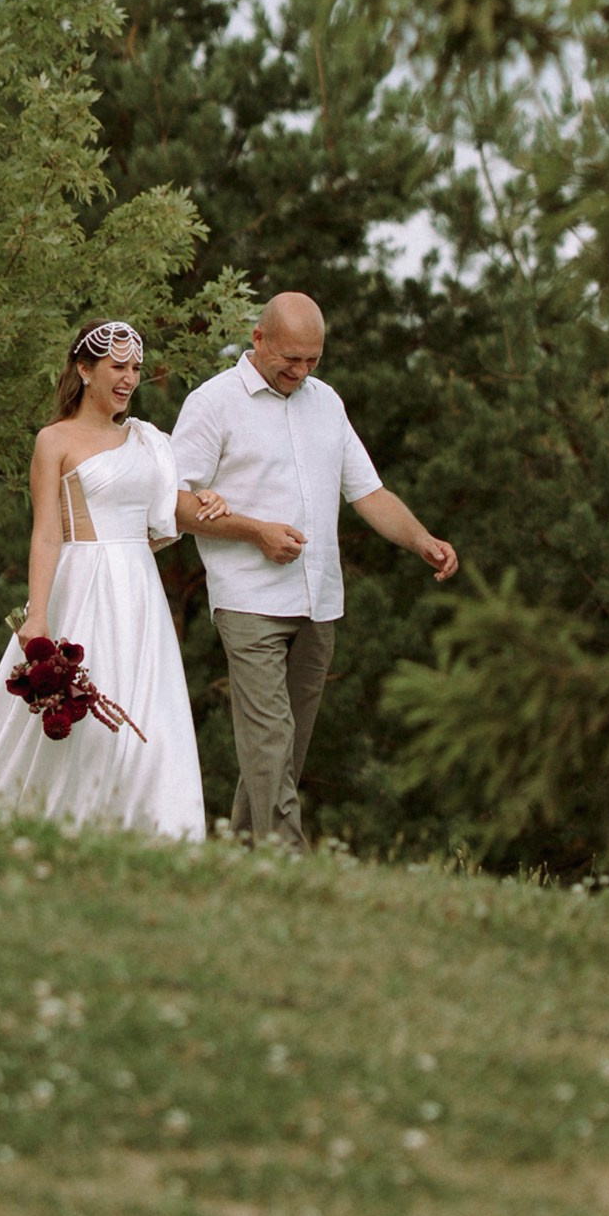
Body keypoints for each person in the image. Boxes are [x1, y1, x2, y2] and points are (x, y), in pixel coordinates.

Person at [172, 291, 457, 850]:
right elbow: (174, 503)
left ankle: (245, 860)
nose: (301, 372)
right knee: (270, 740)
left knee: (283, 751)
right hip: (248, 600)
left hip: (318, 600)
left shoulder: (326, 402)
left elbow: (369, 493)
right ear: (258, 339)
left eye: (313, 361)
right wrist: (255, 530)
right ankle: (290, 865)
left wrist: (422, 539)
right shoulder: (213, 403)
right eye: (290, 360)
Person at [0, 322, 224, 840]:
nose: (129, 378)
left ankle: (159, 836)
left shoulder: (147, 441)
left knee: (152, 724)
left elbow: (169, 515)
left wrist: (211, 502)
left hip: (139, 593)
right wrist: (39, 615)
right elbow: (47, 534)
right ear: (85, 369)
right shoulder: (55, 440)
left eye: (136, 368)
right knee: (86, 727)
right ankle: (62, 826)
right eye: (118, 367)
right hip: (83, 585)